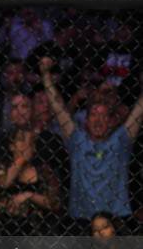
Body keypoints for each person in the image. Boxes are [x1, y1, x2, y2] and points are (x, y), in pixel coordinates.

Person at [40, 56, 143, 234]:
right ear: (86, 121)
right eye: (94, 115)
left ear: (111, 122)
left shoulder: (120, 140)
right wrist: (45, 75)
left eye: (103, 116)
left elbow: (139, 109)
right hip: (82, 219)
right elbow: (58, 107)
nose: (98, 120)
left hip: (116, 218)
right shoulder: (77, 140)